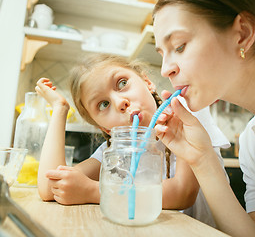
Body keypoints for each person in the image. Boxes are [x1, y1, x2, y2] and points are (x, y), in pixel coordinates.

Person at [152, 0, 255, 236]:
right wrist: (201, 158)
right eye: (161, 53)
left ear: (243, 34)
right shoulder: (250, 141)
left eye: (179, 46)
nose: (165, 69)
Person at [35, 53, 230, 227]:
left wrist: (93, 191)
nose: (121, 103)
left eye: (122, 83)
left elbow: (182, 193)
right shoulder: (112, 150)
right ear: (105, 128)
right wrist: (59, 110)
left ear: (147, 82)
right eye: (103, 104)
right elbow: (49, 188)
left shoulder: (187, 115)